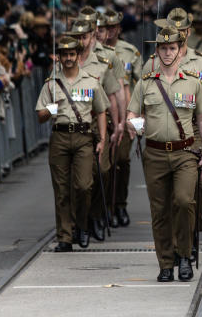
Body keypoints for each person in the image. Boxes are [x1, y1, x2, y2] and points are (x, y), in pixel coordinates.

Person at [126, 27, 202, 282]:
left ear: (180, 51)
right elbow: (131, 115)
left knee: (185, 202)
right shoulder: (145, 84)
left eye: (172, 48)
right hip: (154, 153)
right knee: (160, 210)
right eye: (163, 48)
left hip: (185, 151)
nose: (167, 52)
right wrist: (134, 124)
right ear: (157, 51)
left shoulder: (192, 82)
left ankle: (185, 256)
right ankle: (166, 262)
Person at [154, 7, 202, 245]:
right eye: (172, 30)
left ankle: (189, 233)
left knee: (195, 188)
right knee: (167, 195)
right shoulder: (154, 63)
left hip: (194, 131)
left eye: (181, 30)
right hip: (164, 133)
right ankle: (176, 239)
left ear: (188, 32)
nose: (177, 34)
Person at [35, 35, 109, 252]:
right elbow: (40, 115)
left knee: (84, 185)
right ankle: (65, 237)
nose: (68, 58)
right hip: (59, 136)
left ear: (78, 55)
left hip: (84, 137)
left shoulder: (90, 81)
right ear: (59, 57)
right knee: (61, 190)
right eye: (64, 54)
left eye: (71, 54)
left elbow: (101, 110)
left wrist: (102, 139)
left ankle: (82, 226)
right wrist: (52, 108)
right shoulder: (52, 84)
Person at [70, 16, 123, 241]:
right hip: (76, 127)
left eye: (85, 36)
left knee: (102, 171)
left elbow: (113, 94)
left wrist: (119, 123)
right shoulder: (67, 61)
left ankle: (97, 214)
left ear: (93, 36)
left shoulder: (102, 62)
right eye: (77, 37)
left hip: (99, 123)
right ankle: (80, 222)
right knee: (81, 179)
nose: (81, 41)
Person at [97, 8, 142, 227]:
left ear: (119, 28)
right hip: (101, 112)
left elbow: (139, 84)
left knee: (122, 161)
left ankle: (121, 204)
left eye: (113, 27)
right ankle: (105, 206)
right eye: (105, 27)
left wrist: (136, 118)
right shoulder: (94, 52)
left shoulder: (129, 51)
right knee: (105, 165)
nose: (109, 31)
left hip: (125, 113)